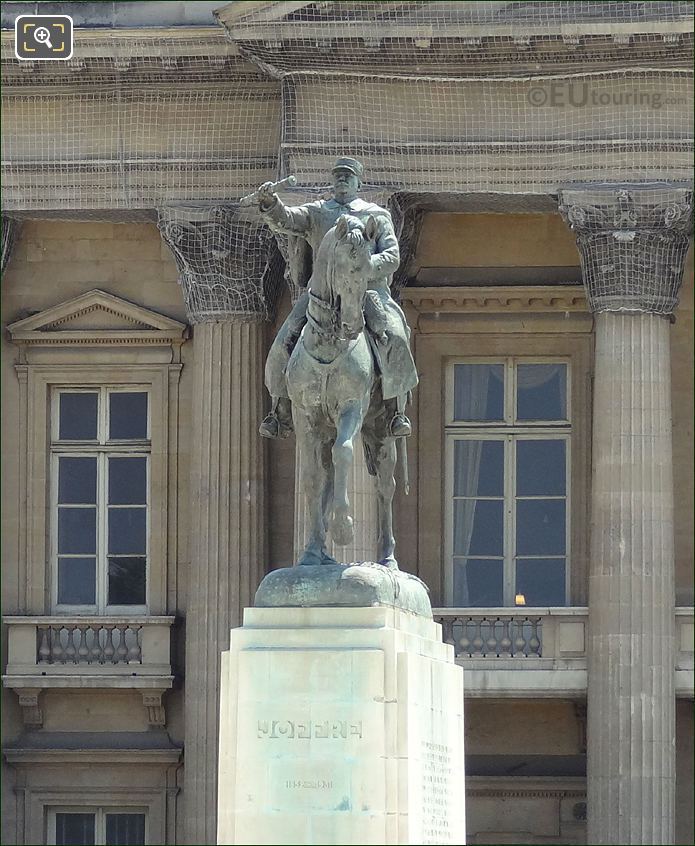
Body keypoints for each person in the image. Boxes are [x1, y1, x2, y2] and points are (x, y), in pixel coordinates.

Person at [257, 156, 418, 439]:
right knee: (284, 340)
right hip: (323, 295)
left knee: (394, 336)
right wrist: (271, 203)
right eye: (338, 175)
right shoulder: (318, 212)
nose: (342, 180)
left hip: (368, 291)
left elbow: (392, 257)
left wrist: (368, 267)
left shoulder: (376, 215)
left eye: (348, 176)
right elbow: (286, 221)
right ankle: (279, 410)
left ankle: (395, 410)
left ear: (358, 181)